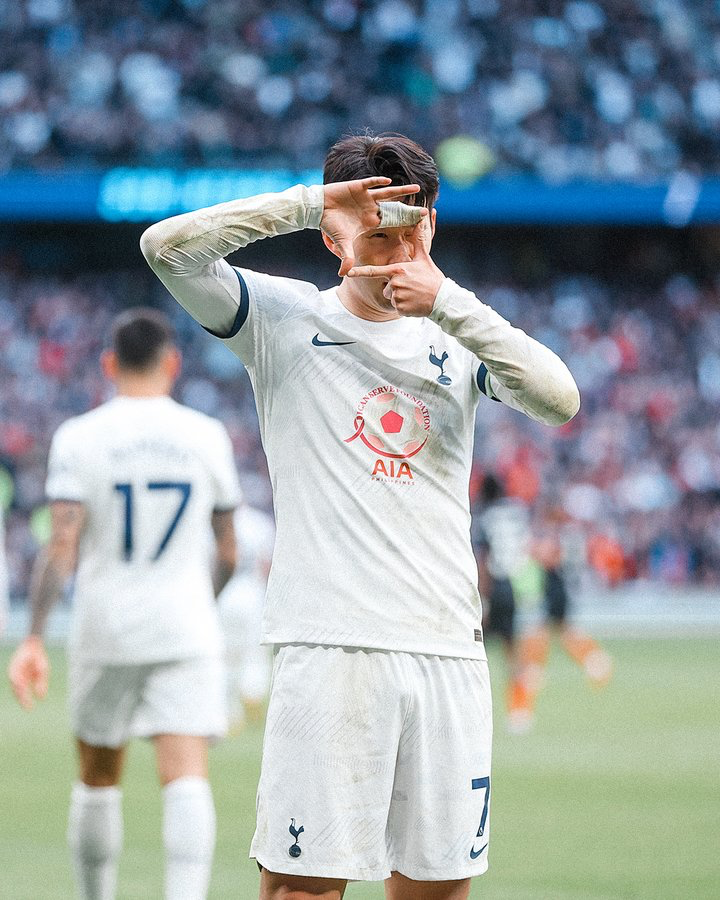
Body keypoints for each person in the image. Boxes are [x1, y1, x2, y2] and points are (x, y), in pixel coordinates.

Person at [140, 132, 580, 900]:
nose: (400, 250)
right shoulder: (278, 319)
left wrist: (449, 301)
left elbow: (558, 398)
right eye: (378, 229)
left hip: (446, 650)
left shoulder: (461, 335)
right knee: (302, 889)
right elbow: (165, 249)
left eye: (414, 228)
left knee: (437, 889)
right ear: (337, 234)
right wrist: (311, 203)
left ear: (434, 226)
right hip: (331, 647)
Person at [8, 308, 241, 900]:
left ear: (110, 364)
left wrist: (32, 637)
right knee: (186, 774)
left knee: (97, 778)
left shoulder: (81, 437)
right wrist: (199, 601)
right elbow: (230, 552)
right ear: (173, 363)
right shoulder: (206, 435)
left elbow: (62, 546)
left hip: (105, 623)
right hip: (185, 624)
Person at [473, 474, 534, 734]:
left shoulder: (483, 516)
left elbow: (484, 558)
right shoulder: (515, 513)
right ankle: (519, 712)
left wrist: (482, 599)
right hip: (511, 586)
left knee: (473, 652)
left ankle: (473, 712)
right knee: (513, 653)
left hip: (492, 586)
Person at [218, 502, 275, 730]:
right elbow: (267, 566)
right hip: (252, 592)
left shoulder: (220, 521)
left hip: (225, 592)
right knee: (255, 652)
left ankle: (229, 708)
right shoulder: (260, 522)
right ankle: (253, 694)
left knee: (225, 654)